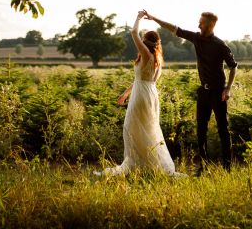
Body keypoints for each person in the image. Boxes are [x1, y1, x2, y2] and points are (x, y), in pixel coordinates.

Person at [143, 10, 237, 173]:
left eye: (201, 22)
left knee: (223, 129)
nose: (198, 24)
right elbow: (174, 29)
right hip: (203, 93)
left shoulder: (220, 45)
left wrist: (227, 89)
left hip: (218, 93)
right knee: (201, 130)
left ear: (210, 24)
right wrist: (153, 18)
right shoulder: (196, 38)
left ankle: (227, 167)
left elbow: (233, 67)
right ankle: (203, 167)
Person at [100, 10, 180, 176]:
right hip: (150, 94)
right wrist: (125, 94)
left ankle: (138, 165)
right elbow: (143, 80)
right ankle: (148, 165)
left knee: (132, 129)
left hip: (141, 96)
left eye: (143, 40)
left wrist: (138, 17)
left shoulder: (145, 54)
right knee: (148, 130)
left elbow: (133, 32)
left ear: (145, 42)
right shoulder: (158, 60)